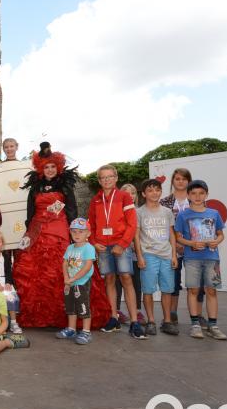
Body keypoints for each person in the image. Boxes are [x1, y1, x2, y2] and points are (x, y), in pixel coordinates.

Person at [15, 142, 99, 329]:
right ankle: (39, 315)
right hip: (38, 230)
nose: (50, 170)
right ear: (40, 168)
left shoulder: (65, 186)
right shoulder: (34, 188)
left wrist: (74, 235)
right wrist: (29, 233)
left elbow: (71, 210)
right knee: (32, 270)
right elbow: (30, 213)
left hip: (59, 230)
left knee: (61, 269)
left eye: (53, 166)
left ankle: (65, 317)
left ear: (58, 167)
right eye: (46, 167)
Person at [88, 164, 144, 338]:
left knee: (126, 278)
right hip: (103, 247)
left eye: (110, 177)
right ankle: (114, 318)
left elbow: (132, 223)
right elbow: (91, 224)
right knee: (109, 279)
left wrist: (123, 243)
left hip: (121, 244)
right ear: (99, 181)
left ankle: (134, 321)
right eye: (103, 177)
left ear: (116, 178)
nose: (106, 180)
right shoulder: (95, 200)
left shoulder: (124, 197)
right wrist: (94, 242)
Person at [174, 180, 226, 340]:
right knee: (193, 290)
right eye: (194, 193)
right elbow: (178, 238)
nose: (197, 196)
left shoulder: (214, 213)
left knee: (212, 290)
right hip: (192, 259)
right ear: (188, 195)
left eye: (201, 193)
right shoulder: (183, 215)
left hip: (212, 258)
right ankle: (195, 324)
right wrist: (191, 243)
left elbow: (220, 234)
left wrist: (217, 241)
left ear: (206, 195)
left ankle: (213, 325)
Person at [134, 179, 178, 336]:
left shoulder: (167, 212)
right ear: (144, 193)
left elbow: (172, 234)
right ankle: (151, 321)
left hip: (166, 255)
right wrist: (139, 256)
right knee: (148, 290)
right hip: (149, 255)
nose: (154, 193)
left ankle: (167, 321)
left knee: (167, 290)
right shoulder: (139, 212)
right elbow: (136, 236)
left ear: (161, 192)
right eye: (150, 190)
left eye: (157, 189)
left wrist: (174, 254)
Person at [159, 167, 202, 325]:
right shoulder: (164, 202)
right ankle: (172, 314)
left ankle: (198, 316)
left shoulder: (197, 200)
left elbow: (203, 225)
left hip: (195, 248)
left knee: (197, 284)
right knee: (173, 282)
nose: (181, 181)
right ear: (172, 181)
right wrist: (175, 243)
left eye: (184, 179)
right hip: (172, 248)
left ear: (189, 181)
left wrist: (191, 242)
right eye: (177, 178)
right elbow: (163, 227)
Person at [56, 218, 97, 343]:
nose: (77, 235)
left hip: (82, 283)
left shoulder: (88, 248)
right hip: (70, 282)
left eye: (81, 231)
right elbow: (65, 263)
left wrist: (74, 278)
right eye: (74, 232)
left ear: (88, 233)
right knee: (71, 307)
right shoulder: (70, 248)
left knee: (83, 306)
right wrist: (66, 278)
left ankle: (86, 332)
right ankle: (71, 329)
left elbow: (87, 266)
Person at [114, 183, 144, 325]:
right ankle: (117, 310)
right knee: (118, 282)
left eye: (132, 193)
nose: (130, 195)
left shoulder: (139, 211)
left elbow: (141, 233)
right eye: (126, 193)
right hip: (119, 251)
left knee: (136, 283)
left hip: (134, 254)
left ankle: (137, 310)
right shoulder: (115, 211)